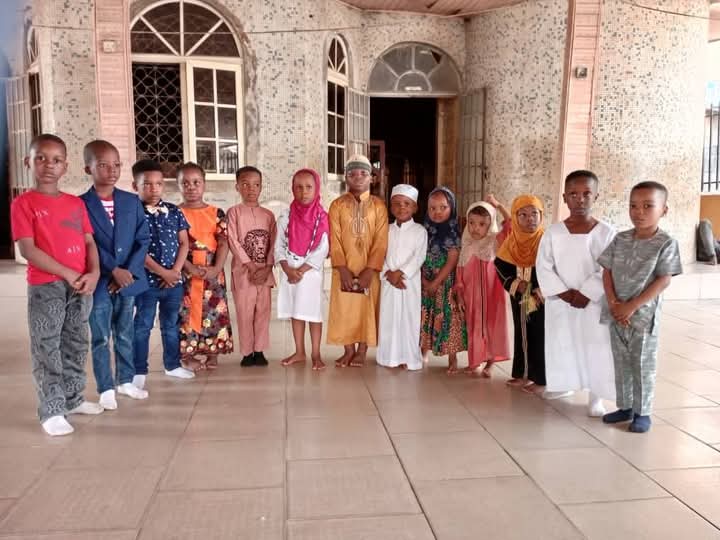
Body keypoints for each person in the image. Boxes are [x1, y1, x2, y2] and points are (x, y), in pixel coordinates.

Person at [11, 134, 104, 436]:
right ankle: (51, 409)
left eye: (56, 160)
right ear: (28, 162)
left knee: (76, 342)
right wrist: (66, 273)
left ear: (66, 166)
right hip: (46, 286)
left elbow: (89, 242)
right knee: (47, 346)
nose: (48, 165)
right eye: (40, 158)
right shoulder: (23, 203)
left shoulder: (75, 204)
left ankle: (73, 399)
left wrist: (94, 273)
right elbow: (28, 249)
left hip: (81, 285)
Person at [598, 181, 682, 433]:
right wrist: (614, 303)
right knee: (621, 363)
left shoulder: (666, 243)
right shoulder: (620, 239)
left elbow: (664, 279)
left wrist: (631, 306)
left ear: (664, 210)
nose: (639, 212)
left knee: (642, 365)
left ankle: (642, 412)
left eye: (648, 206)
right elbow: (606, 270)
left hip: (643, 317)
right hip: (615, 313)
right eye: (633, 206)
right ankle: (625, 407)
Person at [536, 170, 616, 416]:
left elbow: (609, 267)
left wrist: (587, 292)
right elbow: (544, 266)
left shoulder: (606, 233)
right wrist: (564, 293)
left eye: (586, 194)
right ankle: (564, 384)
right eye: (573, 194)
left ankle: (596, 398)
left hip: (594, 303)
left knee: (596, 347)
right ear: (564, 197)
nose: (580, 199)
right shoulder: (553, 233)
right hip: (562, 302)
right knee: (563, 343)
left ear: (596, 196)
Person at [80, 140, 151, 410]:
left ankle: (125, 380)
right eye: (103, 165)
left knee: (124, 331)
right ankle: (106, 387)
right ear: (88, 168)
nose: (112, 170)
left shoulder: (131, 201)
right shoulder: (81, 204)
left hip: (128, 280)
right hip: (99, 281)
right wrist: (113, 271)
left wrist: (128, 271)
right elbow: (87, 243)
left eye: (117, 165)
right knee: (100, 336)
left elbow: (142, 239)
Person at [132, 159, 195, 388]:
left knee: (171, 324)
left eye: (158, 184)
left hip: (173, 282)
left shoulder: (174, 211)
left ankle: (172, 364)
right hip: (147, 282)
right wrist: (163, 273)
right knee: (143, 325)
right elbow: (137, 250)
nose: (154, 189)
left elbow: (184, 243)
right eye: (147, 184)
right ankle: (138, 370)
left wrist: (175, 272)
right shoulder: (133, 213)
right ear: (135, 186)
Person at [327, 155, 389, 368]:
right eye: (352, 174)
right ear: (346, 178)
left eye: (363, 173)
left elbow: (381, 241)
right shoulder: (337, 205)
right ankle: (348, 350)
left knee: (366, 308)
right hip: (343, 268)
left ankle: (362, 350)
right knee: (344, 308)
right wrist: (342, 267)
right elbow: (334, 238)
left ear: (372, 178)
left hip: (369, 270)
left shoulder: (379, 206)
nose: (358, 177)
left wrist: (370, 270)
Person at [177, 162, 234, 371]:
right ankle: (188, 353)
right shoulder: (174, 213)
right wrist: (188, 267)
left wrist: (217, 267)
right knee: (186, 313)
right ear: (178, 185)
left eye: (196, 182)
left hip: (212, 273)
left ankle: (212, 352)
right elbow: (174, 245)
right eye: (185, 183)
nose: (191, 187)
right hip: (185, 270)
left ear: (204, 184)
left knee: (213, 312)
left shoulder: (216, 212)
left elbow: (223, 242)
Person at [275, 168, 330, 370]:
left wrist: (302, 270)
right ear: (292, 189)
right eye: (298, 187)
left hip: (311, 273)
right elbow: (278, 245)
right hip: (289, 271)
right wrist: (288, 269)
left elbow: (323, 248)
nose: (304, 192)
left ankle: (316, 353)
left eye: (308, 187)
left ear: (317, 189)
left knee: (313, 313)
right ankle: (299, 351)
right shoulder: (286, 216)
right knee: (295, 310)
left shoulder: (322, 216)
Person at [455, 194, 511, 377]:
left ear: (490, 224)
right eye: (471, 223)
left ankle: (491, 363)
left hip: (491, 295)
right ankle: (474, 362)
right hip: (471, 296)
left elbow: (511, 225)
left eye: (481, 224)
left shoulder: (494, 241)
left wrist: (499, 205)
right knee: (474, 328)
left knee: (491, 327)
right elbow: (460, 272)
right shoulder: (466, 243)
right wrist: (460, 294)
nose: (475, 228)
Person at [494, 195, 546, 394]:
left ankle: (541, 378)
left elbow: (555, 267)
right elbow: (500, 267)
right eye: (523, 215)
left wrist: (541, 290)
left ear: (541, 215)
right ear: (515, 218)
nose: (529, 218)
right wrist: (517, 284)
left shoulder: (547, 241)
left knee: (540, 335)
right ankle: (522, 373)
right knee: (523, 333)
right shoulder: (511, 242)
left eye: (534, 213)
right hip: (521, 297)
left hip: (543, 299)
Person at [227, 166, 276, 367]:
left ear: (261, 187)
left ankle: (260, 350)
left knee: (263, 312)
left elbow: (273, 243)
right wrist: (251, 266)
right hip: (243, 273)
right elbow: (233, 240)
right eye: (245, 184)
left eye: (256, 185)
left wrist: (267, 267)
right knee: (245, 312)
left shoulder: (269, 215)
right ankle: (247, 352)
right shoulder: (234, 213)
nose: (251, 189)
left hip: (265, 273)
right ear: (237, 187)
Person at [377, 184, 427, 371]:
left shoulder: (420, 231)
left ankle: (409, 358)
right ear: (390, 207)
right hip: (389, 283)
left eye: (407, 203)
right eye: (397, 204)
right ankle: (388, 357)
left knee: (409, 319)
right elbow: (379, 253)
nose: (401, 207)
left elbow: (419, 256)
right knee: (389, 320)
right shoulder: (385, 230)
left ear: (415, 207)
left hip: (408, 283)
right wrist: (388, 273)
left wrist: (400, 273)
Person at [420, 187, 467, 374]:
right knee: (425, 316)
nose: (437, 212)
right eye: (432, 208)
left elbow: (452, 260)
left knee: (448, 318)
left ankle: (452, 357)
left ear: (452, 208)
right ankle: (423, 352)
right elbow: (417, 255)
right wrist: (424, 281)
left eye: (443, 207)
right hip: (426, 280)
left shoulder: (453, 231)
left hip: (445, 283)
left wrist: (435, 282)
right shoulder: (424, 230)